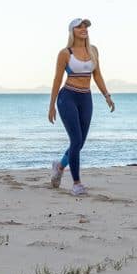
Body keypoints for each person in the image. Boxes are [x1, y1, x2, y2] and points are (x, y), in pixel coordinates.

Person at [48, 18, 114, 195]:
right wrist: (52, 105)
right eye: (79, 26)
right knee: (76, 140)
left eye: (86, 26)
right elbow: (57, 79)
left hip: (86, 98)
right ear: (72, 31)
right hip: (67, 96)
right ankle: (76, 184)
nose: (84, 29)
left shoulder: (93, 51)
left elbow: (97, 75)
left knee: (80, 142)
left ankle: (60, 166)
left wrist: (107, 95)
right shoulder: (65, 53)